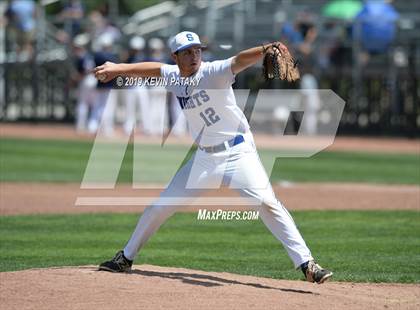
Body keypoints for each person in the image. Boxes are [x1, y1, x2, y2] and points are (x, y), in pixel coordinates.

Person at [93, 31, 333, 284]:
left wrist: (264, 49)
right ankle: (126, 258)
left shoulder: (213, 71)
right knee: (159, 207)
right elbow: (153, 69)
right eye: (186, 52)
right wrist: (118, 68)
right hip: (204, 159)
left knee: (266, 203)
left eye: (197, 50)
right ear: (175, 56)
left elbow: (238, 60)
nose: (194, 55)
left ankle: (307, 264)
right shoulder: (174, 75)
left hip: (238, 152)